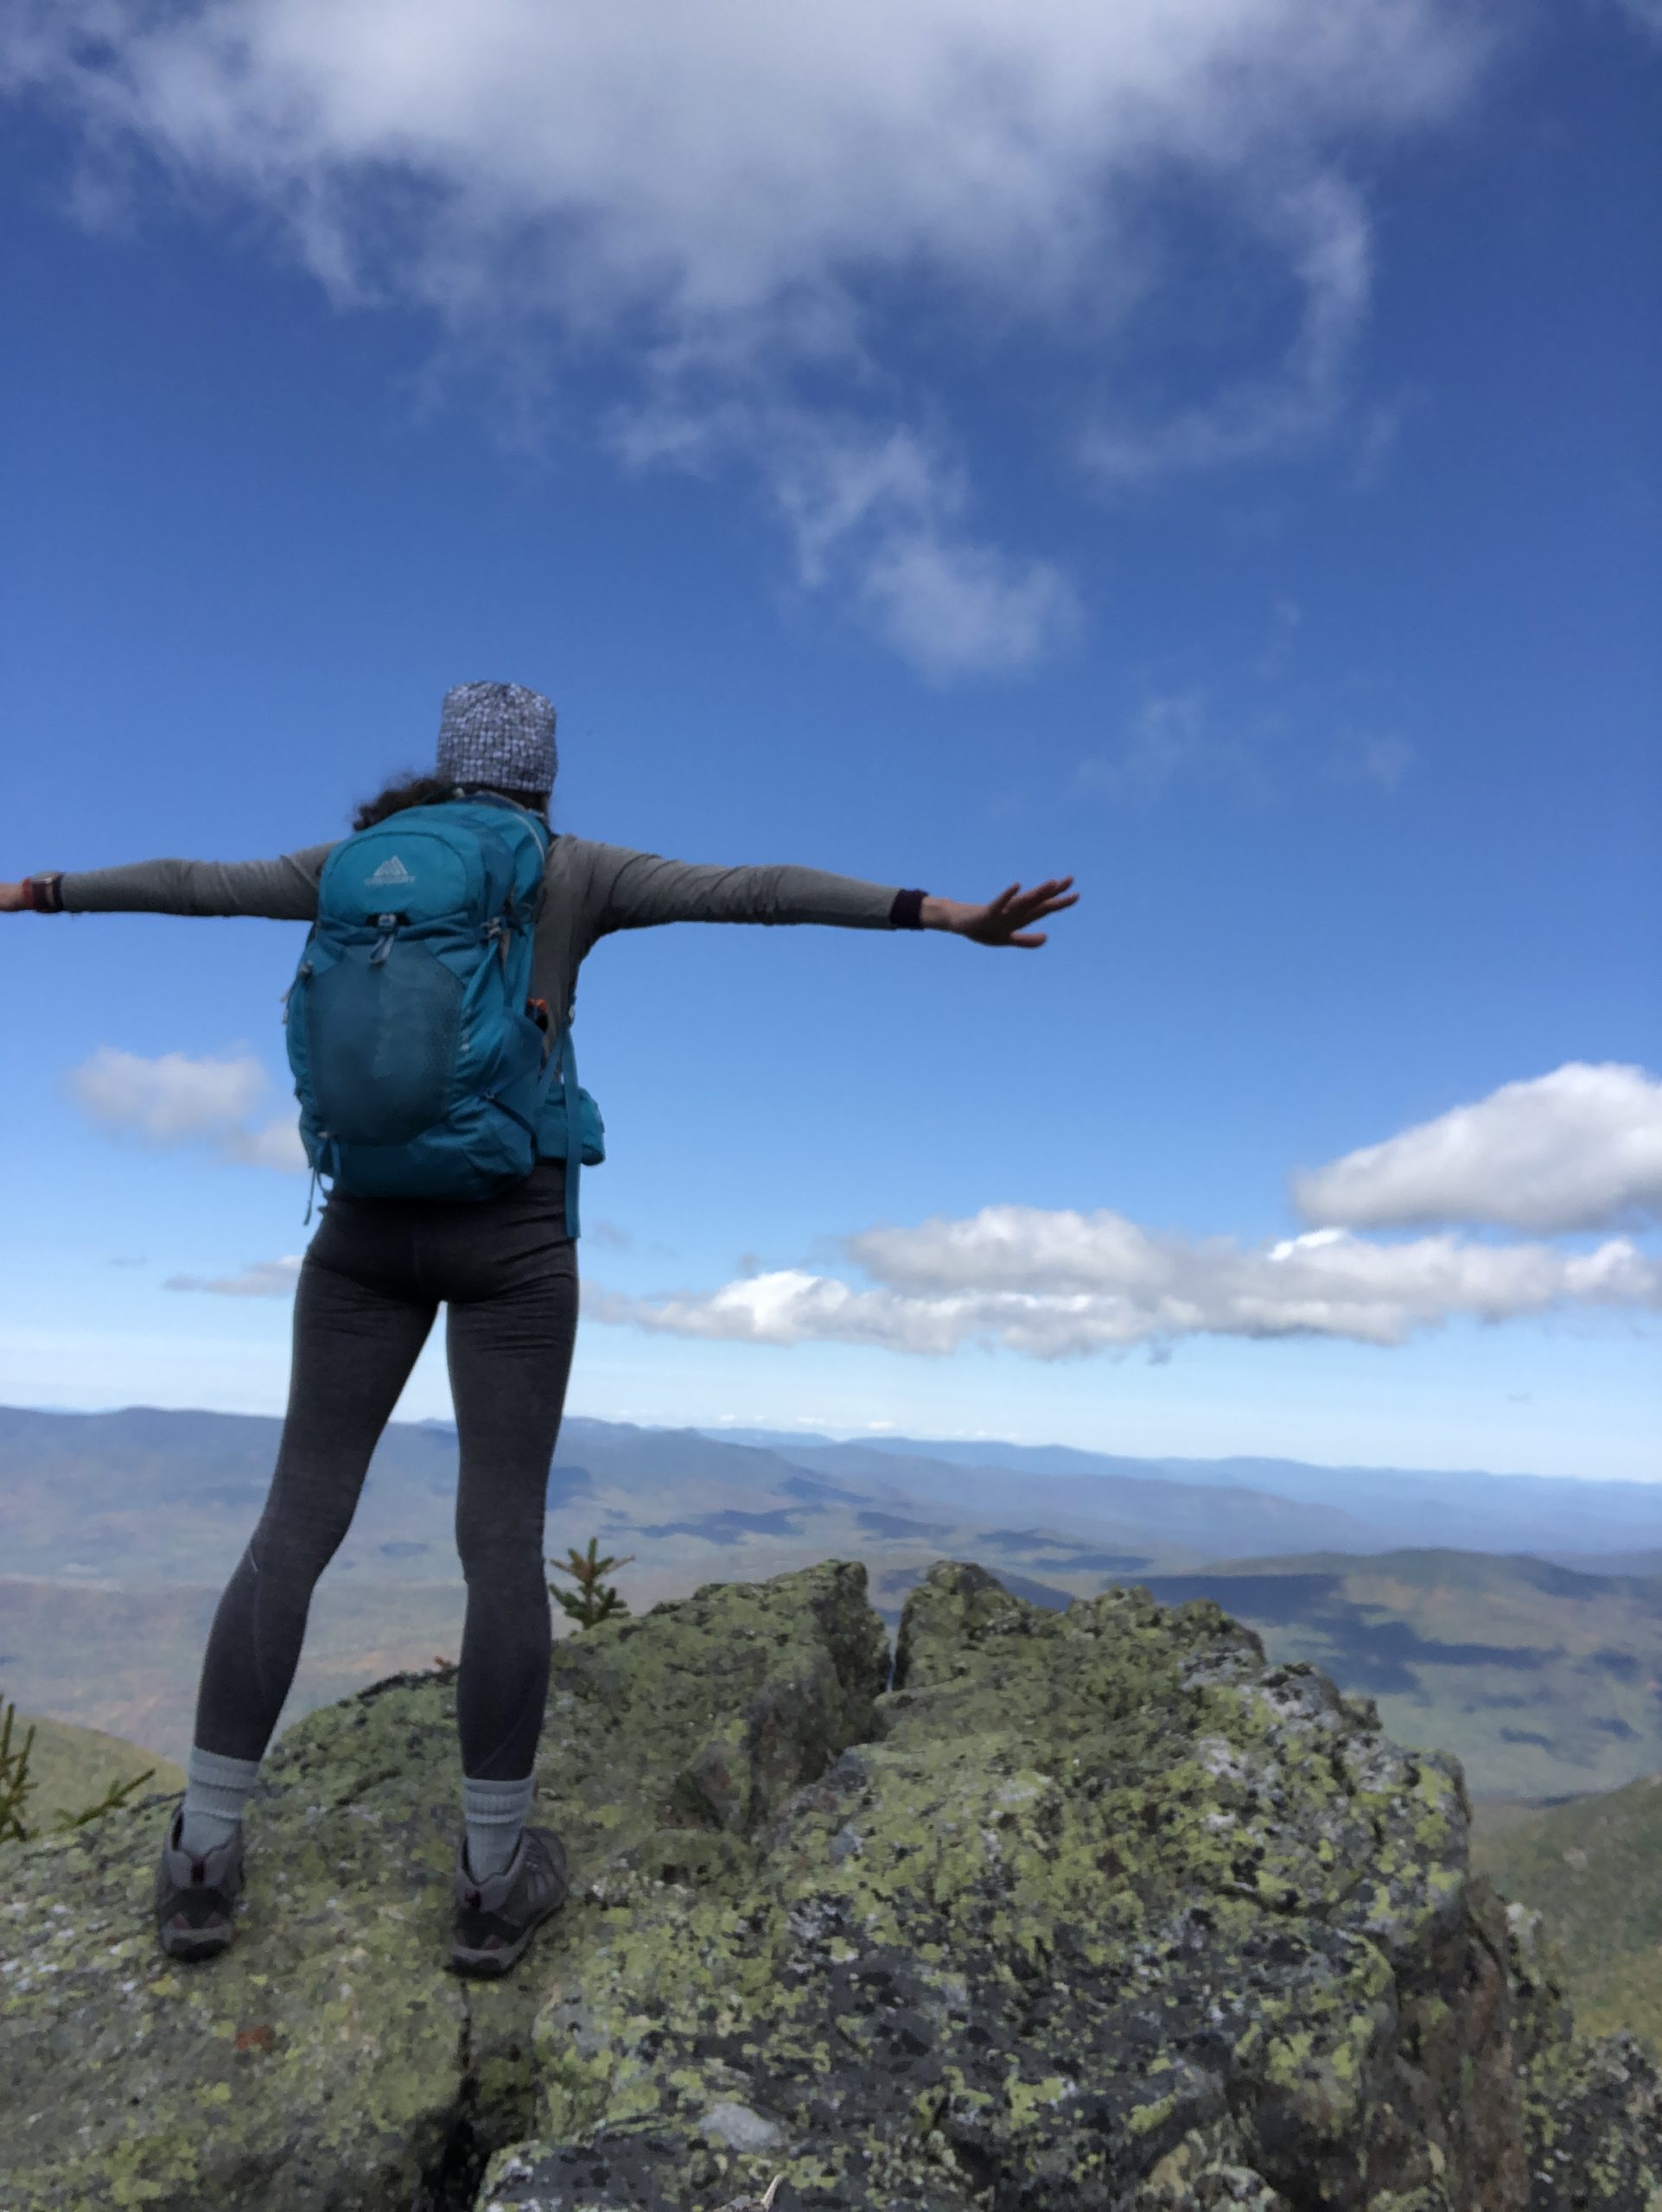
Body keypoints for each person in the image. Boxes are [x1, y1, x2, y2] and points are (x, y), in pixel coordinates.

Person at [3, 678, 1078, 1977]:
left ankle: (202, 1866)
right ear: (541, 778)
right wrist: (938, 914)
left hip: (358, 1232)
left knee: (292, 1531)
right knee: (499, 1543)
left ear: (445, 771)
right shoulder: (571, 870)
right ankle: (491, 1885)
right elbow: (756, 890)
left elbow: (188, 881)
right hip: (512, 1241)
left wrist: (33, 893)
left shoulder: (348, 869)